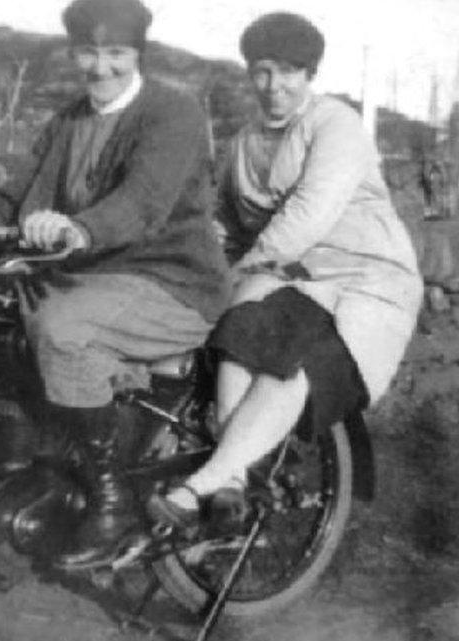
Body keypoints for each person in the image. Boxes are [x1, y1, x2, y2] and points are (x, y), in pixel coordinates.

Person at [148, 12, 423, 529]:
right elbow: (225, 224)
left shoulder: (334, 124)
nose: (275, 86)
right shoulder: (243, 144)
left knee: (298, 364)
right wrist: (195, 263)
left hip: (367, 282)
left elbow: (308, 215)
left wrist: (243, 268)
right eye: (263, 71)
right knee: (237, 334)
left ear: (310, 73)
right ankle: (233, 484)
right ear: (250, 74)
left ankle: (202, 484)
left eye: (290, 71)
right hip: (296, 279)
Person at [4, 0, 231, 566]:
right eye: (88, 51)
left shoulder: (172, 115)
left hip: (172, 281)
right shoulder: (67, 121)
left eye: (116, 53)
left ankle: (113, 502)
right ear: (73, 51)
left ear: (138, 54)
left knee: (61, 330)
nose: (100, 67)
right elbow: (24, 194)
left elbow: (144, 204)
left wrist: (79, 230)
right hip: (93, 278)